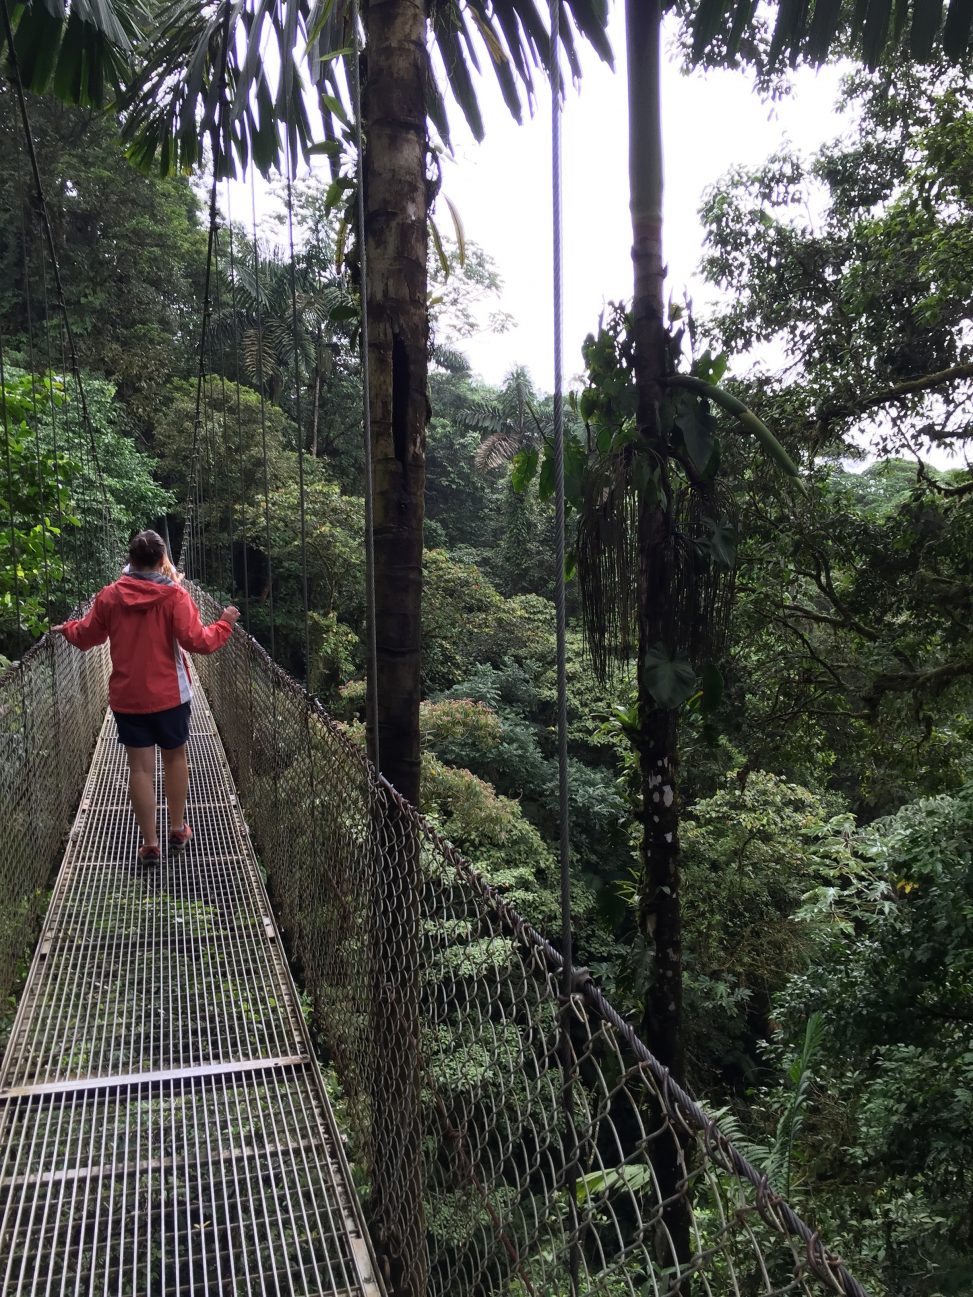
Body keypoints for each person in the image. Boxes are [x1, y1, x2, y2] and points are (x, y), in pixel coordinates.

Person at [52, 530, 240, 864]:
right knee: (175, 759)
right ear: (161, 560)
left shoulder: (110, 596)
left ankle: (151, 844)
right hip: (171, 696)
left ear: (130, 559)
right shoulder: (175, 597)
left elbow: (86, 636)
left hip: (128, 697)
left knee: (139, 769)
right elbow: (199, 642)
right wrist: (224, 623)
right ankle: (179, 829)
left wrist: (67, 628)